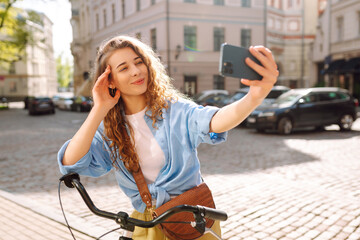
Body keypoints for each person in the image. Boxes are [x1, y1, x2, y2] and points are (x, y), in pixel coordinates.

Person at [57, 35, 278, 239]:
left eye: (139, 62)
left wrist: (254, 98)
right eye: (124, 68)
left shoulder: (175, 110)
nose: (135, 71)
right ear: (110, 80)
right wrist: (99, 108)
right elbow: (70, 163)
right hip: (145, 224)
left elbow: (215, 120)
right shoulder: (110, 129)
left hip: (191, 219)